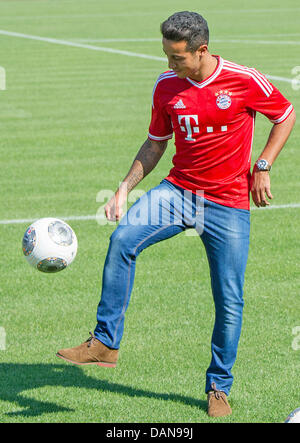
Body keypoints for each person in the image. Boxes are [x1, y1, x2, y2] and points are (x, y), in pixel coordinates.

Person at [56, 11, 296, 417]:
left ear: (202, 50)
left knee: (230, 299)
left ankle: (218, 387)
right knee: (122, 240)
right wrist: (123, 188)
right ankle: (105, 343)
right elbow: (155, 143)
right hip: (178, 191)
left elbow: (285, 115)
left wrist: (264, 164)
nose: (170, 65)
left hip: (228, 203)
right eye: (166, 55)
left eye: (178, 58)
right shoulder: (167, 86)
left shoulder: (243, 79)